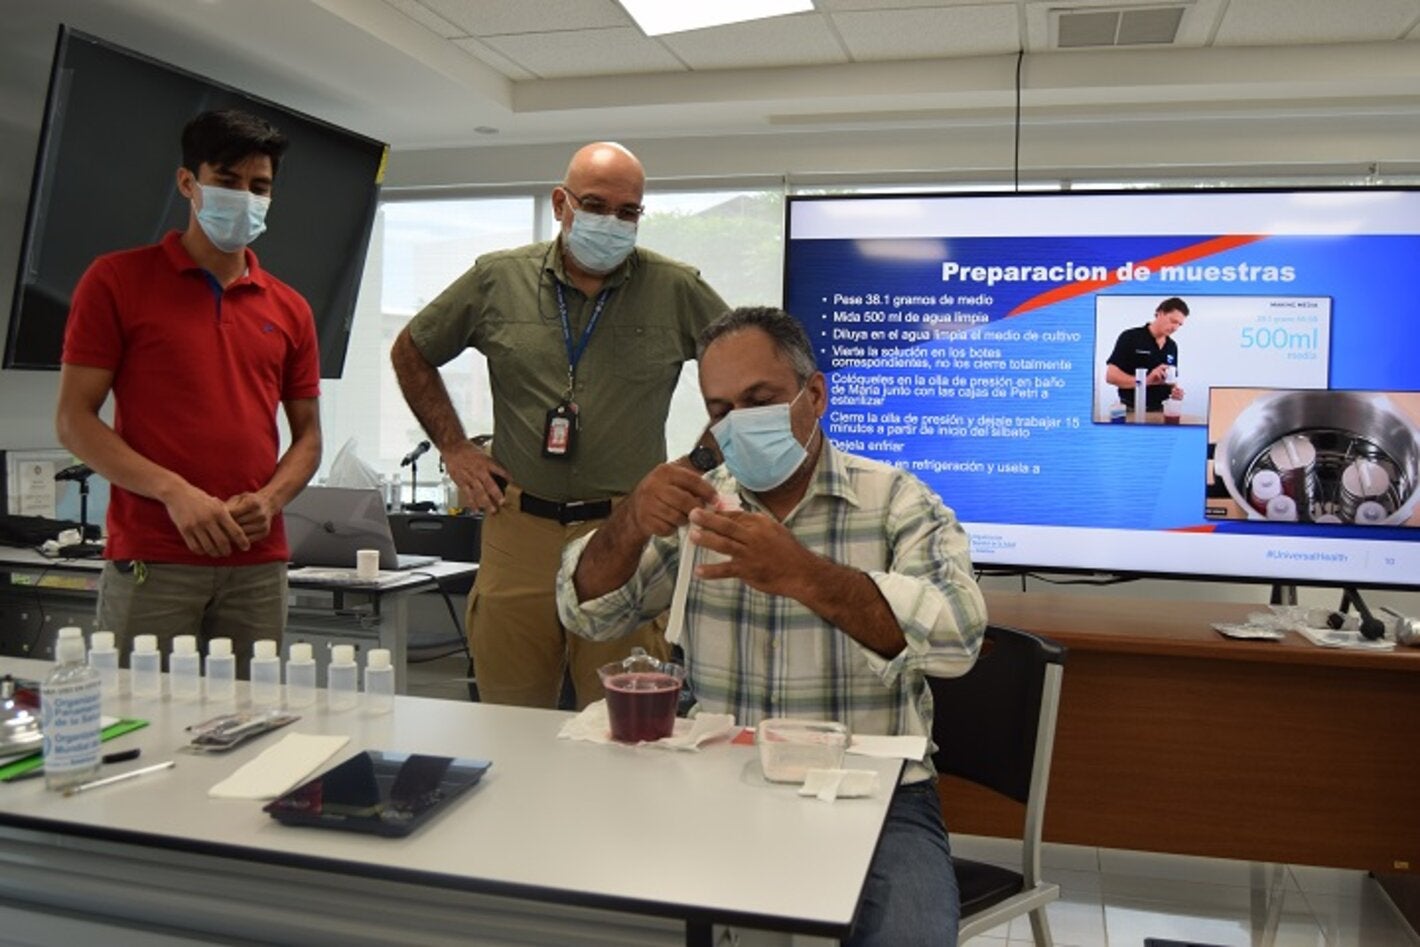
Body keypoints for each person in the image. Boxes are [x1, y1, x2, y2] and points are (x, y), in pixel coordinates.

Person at [556, 306, 987, 946]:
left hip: (872, 794)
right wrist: (631, 520)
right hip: (714, 780)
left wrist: (803, 574)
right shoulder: (702, 506)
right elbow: (589, 611)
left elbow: (958, 636)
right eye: (721, 409)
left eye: (759, 401)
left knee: (910, 934)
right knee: (596, 908)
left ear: (815, 395)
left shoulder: (897, 500)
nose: (738, 422)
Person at [390, 141, 727, 709]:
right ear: (559, 203)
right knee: (508, 715)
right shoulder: (498, 279)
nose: (611, 222)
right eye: (595, 205)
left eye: (628, 212)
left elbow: (751, 378)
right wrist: (454, 446)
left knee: (623, 718)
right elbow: (411, 350)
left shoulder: (676, 288)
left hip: (624, 529)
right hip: (519, 526)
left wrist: (695, 468)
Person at [56, 109, 322, 671]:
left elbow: (308, 439)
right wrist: (175, 493)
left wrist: (271, 500)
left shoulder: (291, 308)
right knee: (138, 712)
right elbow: (74, 420)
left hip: (256, 561)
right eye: (227, 180)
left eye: (259, 187)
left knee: (253, 715)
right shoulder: (116, 281)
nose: (244, 197)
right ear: (187, 182)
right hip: (155, 555)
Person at [1105, 296, 1189, 412]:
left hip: (1162, 410)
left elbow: (1171, 380)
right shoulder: (1130, 337)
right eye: (1173, 321)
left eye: (1179, 324)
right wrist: (1146, 380)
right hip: (1131, 409)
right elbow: (1111, 377)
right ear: (1160, 313)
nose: (1175, 328)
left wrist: (1175, 391)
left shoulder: (1172, 346)